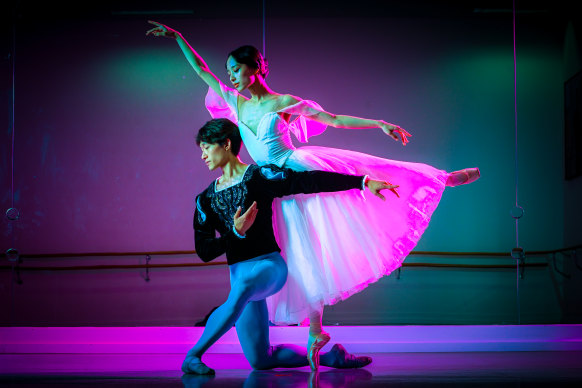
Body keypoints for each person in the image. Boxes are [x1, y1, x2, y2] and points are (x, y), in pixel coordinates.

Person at [147, 21, 480, 370]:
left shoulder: (285, 103)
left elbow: (333, 119)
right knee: (299, 253)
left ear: (255, 68)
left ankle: (440, 179)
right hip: (267, 182)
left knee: (349, 194)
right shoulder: (236, 103)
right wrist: (178, 38)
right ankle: (316, 333)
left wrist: (378, 124)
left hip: (294, 169)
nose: (229, 76)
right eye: (228, 70)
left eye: (236, 68)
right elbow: (202, 71)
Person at [188, 118, 396, 374]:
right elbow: (205, 251)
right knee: (261, 360)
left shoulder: (259, 177)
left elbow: (308, 181)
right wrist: (235, 231)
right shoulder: (205, 199)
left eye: (206, 148)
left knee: (242, 288)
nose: (202, 156)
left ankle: (193, 356)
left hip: (268, 267)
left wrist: (362, 182)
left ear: (226, 144)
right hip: (240, 277)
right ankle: (331, 357)